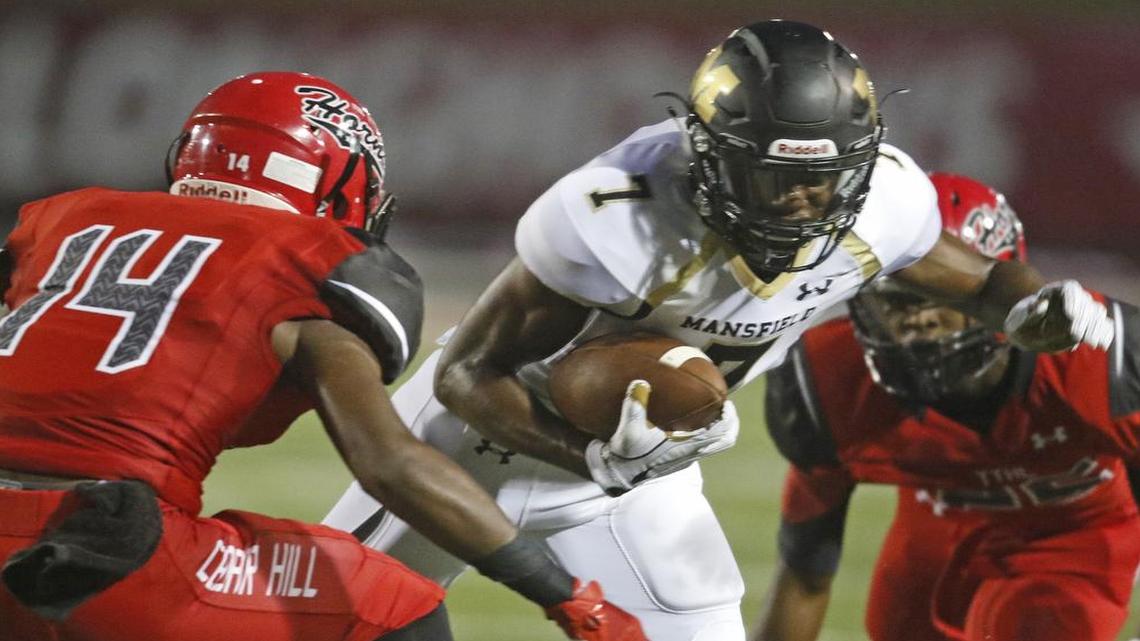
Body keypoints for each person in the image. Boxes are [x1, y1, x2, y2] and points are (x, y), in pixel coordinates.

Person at [324, 20, 1114, 641]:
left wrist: (1028, 305)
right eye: (773, 176)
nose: (801, 204)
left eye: (822, 177)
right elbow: (468, 374)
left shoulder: (884, 203)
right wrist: (591, 455)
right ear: (707, 153)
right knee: (323, 619)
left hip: (649, 464)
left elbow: (980, 277)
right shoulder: (615, 213)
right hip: (479, 449)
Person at [0, 72, 648, 641]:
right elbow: (390, 463)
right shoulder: (303, 259)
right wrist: (567, 595)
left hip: (61, 539)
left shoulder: (61, 219)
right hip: (105, 548)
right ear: (336, 183)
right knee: (396, 601)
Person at [751, 173, 1140, 641]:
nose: (919, 320)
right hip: (940, 523)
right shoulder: (827, 382)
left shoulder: (1101, 358)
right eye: (891, 303)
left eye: (939, 296)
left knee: (1038, 622)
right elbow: (806, 570)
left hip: (1078, 528)